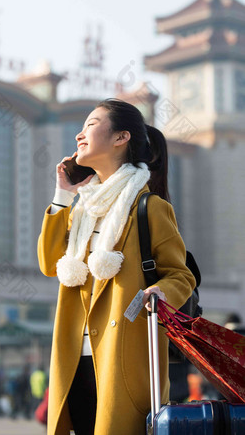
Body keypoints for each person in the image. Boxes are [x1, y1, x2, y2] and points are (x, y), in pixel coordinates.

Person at [37, 98, 196, 435]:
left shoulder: (148, 207)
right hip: (73, 359)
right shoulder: (80, 209)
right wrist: (62, 195)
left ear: (121, 137)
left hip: (121, 359)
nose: (80, 135)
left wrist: (159, 292)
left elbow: (181, 275)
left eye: (91, 125)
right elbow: (50, 264)